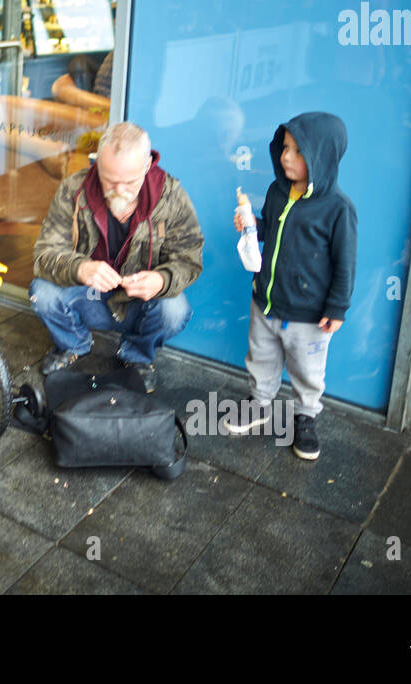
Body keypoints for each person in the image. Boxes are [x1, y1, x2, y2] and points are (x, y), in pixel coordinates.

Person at [30, 121, 203, 392]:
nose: (119, 190)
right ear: (98, 163)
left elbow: (190, 258)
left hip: (140, 303)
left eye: (130, 182)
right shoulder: (73, 190)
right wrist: (80, 268)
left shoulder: (170, 196)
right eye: (110, 180)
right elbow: (44, 254)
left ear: (147, 166)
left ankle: (136, 356)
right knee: (42, 292)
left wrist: (160, 280)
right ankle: (74, 345)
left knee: (175, 310)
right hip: (87, 295)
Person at [224, 112, 357, 461]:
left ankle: (305, 416)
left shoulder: (338, 210)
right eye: (285, 147)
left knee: (307, 369)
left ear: (321, 157)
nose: (286, 157)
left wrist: (337, 307)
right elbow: (270, 230)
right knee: (261, 358)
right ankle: (260, 404)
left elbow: (345, 263)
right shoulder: (277, 191)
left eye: (298, 151)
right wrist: (254, 223)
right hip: (266, 301)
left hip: (309, 315)